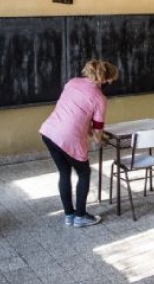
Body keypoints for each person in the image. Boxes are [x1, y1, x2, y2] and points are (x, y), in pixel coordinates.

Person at [40, 59, 119, 227]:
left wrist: (88, 129)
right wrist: (100, 140)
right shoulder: (100, 98)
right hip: (68, 137)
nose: (112, 82)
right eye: (112, 79)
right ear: (106, 78)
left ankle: (69, 215)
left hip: (49, 132)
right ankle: (81, 216)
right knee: (83, 173)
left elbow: (74, 112)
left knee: (64, 173)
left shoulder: (72, 83)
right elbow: (98, 130)